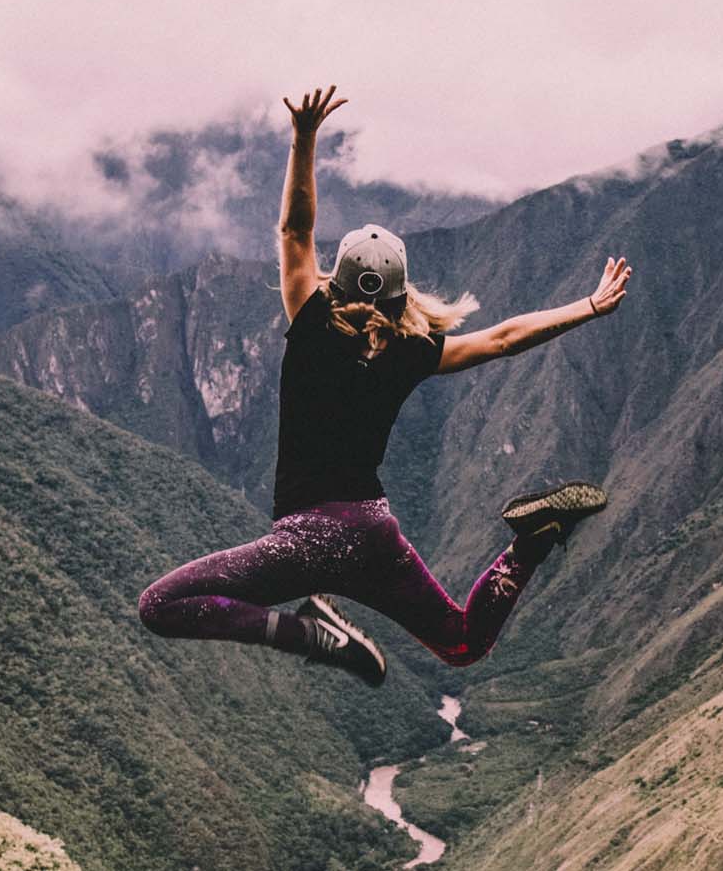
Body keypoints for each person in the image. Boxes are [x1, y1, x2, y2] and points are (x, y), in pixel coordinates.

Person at [137, 85, 631, 686]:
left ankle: (307, 634)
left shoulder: (312, 322)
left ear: (335, 281)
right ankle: (529, 544)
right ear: (402, 292)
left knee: (160, 606)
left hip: (308, 539)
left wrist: (304, 137)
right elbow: (503, 339)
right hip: (374, 533)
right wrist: (588, 306)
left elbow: (295, 230)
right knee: (462, 642)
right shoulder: (412, 350)